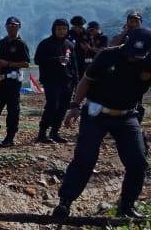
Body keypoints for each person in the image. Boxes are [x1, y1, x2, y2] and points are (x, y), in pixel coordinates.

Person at [53, 28, 151, 219]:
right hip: (97, 113)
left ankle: (127, 205)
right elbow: (86, 81)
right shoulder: (108, 56)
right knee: (85, 158)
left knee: (137, 161)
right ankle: (65, 202)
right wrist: (74, 106)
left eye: (138, 56)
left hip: (126, 116)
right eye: (131, 53)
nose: (133, 58)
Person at [0, 17, 31, 147]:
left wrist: (9, 63)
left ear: (19, 27)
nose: (12, 27)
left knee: (12, 110)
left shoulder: (21, 44)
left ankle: (9, 138)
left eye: (14, 25)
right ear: (5, 26)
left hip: (13, 82)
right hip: (0, 81)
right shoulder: (0, 43)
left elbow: (26, 63)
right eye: (9, 25)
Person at [34, 18, 77, 144]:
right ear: (54, 29)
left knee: (63, 107)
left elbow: (74, 64)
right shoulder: (45, 43)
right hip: (51, 80)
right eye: (59, 29)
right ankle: (42, 133)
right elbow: (37, 60)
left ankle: (55, 132)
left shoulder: (70, 44)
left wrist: (77, 81)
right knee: (52, 105)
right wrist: (55, 60)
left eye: (64, 29)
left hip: (67, 80)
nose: (62, 31)